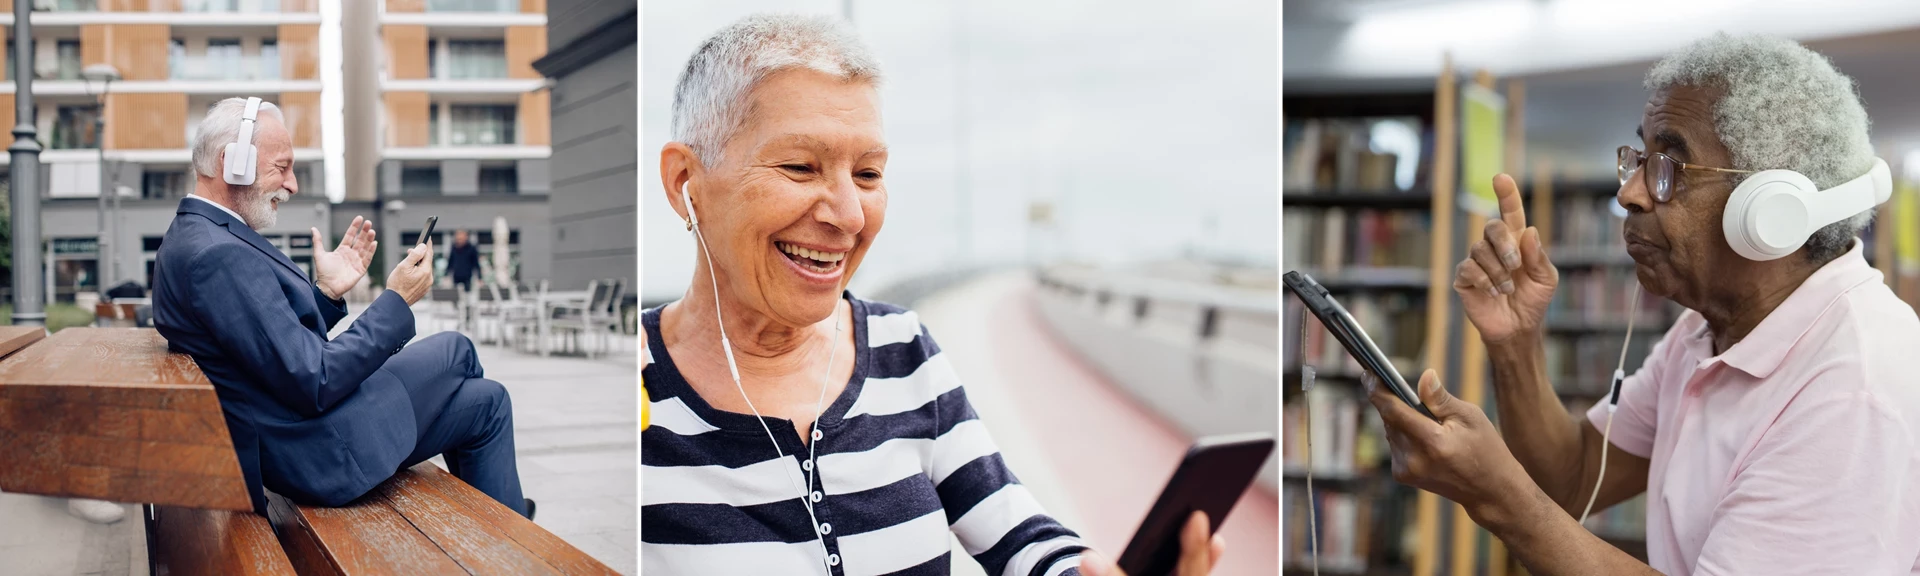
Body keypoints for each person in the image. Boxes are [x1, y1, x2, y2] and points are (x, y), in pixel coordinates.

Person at [639, 15, 1224, 576]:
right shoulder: (629, 392)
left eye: (868, 175)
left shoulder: (904, 350)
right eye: (800, 167)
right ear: (685, 183)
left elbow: (1021, 536)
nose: (849, 215)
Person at [1363, 34, 1920, 574]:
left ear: (1773, 213)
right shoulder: (1704, 332)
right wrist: (1514, 341)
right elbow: (1575, 478)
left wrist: (1499, 496)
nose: (1629, 193)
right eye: (1640, 159)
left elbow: (1541, 497)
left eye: (1670, 169)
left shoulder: (1858, 389)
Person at [151, 97, 533, 520]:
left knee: (487, 400)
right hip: (322, 452)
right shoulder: (216, 253)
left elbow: (264, 345)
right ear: (232, 162)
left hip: (300, 437)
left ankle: (513, 534)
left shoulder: (199, 235)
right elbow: (315, 379)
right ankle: (517, 537)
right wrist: (396, 300)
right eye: (282, 167)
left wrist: (327, 292)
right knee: (458, 349)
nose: (292, 185)